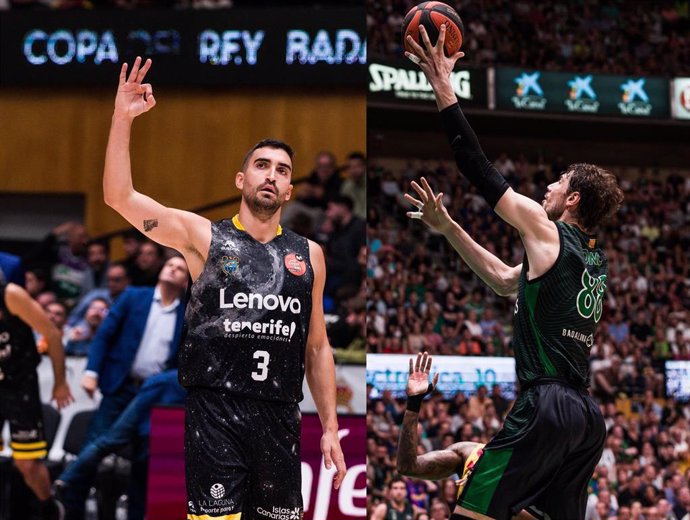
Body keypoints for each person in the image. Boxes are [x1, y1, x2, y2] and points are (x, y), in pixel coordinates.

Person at [101, 56, 346, 519]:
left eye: (282, 169)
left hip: (279, 417)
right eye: (261, 165)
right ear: (242, 178)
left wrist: (329, 426)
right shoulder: (203, 238)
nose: (271, 174)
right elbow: (119, 197)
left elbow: (316, 348)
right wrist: (121, 118)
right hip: (215, 411)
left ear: (290, 189)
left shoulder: (309, 254)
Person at [404, 25, 624, 520]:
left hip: (545, 405)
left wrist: (442, 84)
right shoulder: (592, 257)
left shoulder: (549, 232)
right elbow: (505, 280)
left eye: (558, 182)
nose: (547, 185)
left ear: (573, 200)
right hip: (586, 420)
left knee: (470, 514)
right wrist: (448, 226)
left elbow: (475, 165)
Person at [61, 255, 189, 520]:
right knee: (95, 446)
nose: (173, 270)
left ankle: (137, 515)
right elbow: (105, 334)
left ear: (186, 281)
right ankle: (69, 508)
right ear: (161, 271)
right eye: (170, 265)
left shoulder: (186, 312)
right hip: (120, 386)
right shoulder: (134, 297)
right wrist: (91, 371)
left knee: (146, 461)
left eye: (180, 269)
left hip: (154, 397)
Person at [0, 280, 74, 519]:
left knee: (27, 464)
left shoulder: (10, 294)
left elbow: (52, 334)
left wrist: (60, 382)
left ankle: (49, 507)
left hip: (19, 384)